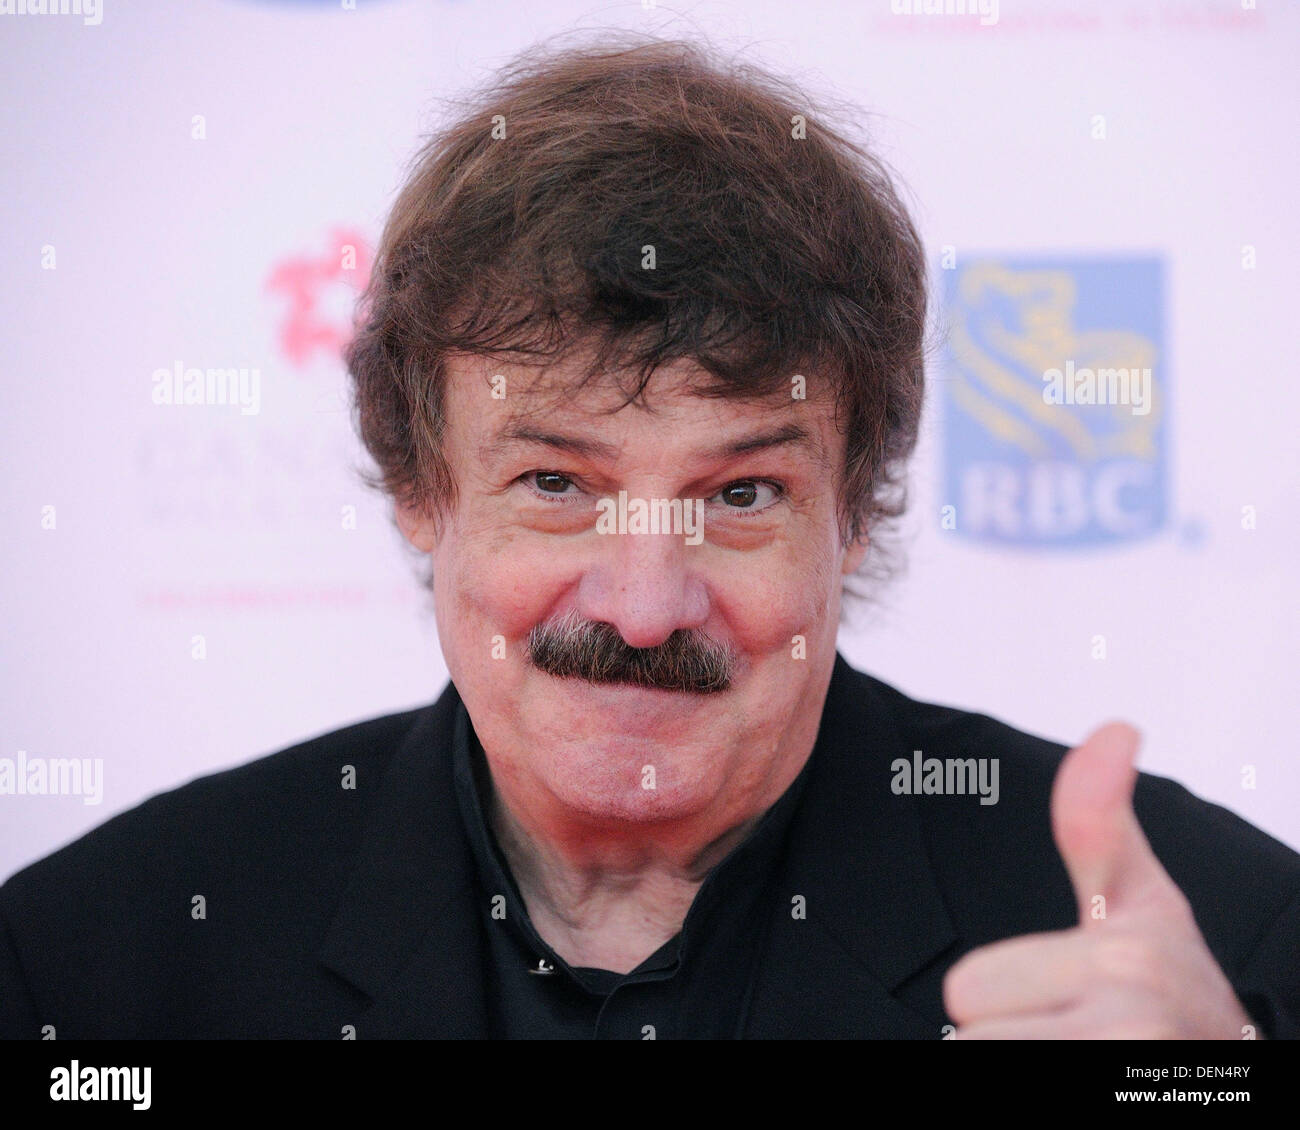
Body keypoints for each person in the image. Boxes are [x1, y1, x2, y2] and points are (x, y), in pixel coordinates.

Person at [2, 34, 1296, 1041]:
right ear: (419, 488)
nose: (640, 604)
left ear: (851, 514)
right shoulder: (98, 960)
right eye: (558, 482)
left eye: (740, 496)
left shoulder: (1211, 954)